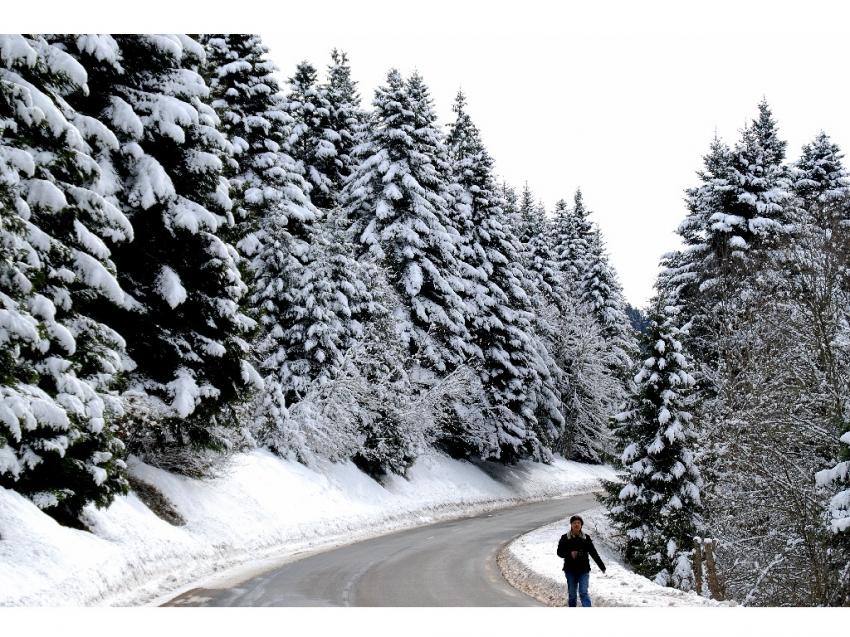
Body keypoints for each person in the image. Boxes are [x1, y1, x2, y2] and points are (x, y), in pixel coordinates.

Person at [556, 514, 606, 607]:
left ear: (581, 525)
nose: (576, 525)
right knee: (572, 595)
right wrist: (569, 553)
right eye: (574, 523)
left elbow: (593, 553)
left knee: (583, 592)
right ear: (571, 525)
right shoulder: (565, 538)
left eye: (578, 523)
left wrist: (602, 566)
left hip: (583, 570)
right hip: (570, 570)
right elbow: (559, 553)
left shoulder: (586, 538)